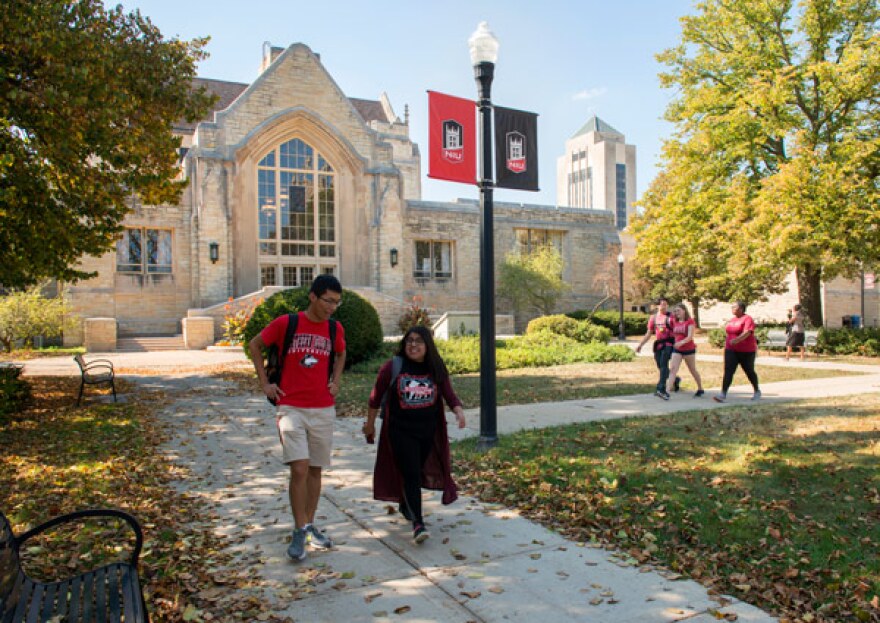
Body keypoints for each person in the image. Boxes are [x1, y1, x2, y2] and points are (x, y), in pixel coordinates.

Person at [248, 275, 346, 562]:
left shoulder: (333, 328)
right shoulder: (286, 323)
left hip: (323, 407)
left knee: (315, 470)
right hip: (290, 406)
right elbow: (255, 345)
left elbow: (341, 354)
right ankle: (298, 528)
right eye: (328, 300)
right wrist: (265, 383)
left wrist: (336, 382)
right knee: (300, 469)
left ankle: (308, 525)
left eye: (336, 303)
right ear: (313, 297)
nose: (331, 307)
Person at [363, 326, 466, 544]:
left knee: (416, 471)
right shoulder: (393, 367)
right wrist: (370, 425)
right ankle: (418, 523)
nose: (413, 345)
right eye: (409, 341)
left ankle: (405, 504)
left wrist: (458, 410)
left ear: (428, 345)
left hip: (428, 431)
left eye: (419, 341)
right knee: (411, 474)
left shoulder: (435, 367)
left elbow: (448, 393)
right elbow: (375, 399)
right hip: (400, 431)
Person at [714, 301, 760, 402]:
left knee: (749, 371)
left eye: (734, 307)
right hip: (731, 350)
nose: (732, 308)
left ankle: (757, 390)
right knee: (728, 371)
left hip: (746, 350)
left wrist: (737, 340)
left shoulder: (747, 319)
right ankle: (723, 393)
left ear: (741, 309)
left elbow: (748, 332)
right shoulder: (733, 319)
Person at [635, 297, 679, 400]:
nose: (664, 306)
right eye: (662, 304)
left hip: (669, 344)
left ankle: (661, 389)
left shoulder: (671, 317)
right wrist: (640, 345)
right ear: (657, 306)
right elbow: (649, 333)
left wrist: (679, 344)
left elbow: (677, 331)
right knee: (660, 366)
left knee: (663, 365)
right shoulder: (653, 318)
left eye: (665, 304)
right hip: (658, 345)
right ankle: (675, 380)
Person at [665, 303, 704, 397]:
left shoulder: (689, 321)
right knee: (673, 369)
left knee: (692, 369)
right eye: (675, 311)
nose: (676, 312)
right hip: (677, 350)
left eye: (678, 310)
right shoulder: (674, 321)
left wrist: (680, 343)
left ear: (684, 311)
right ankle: (667, 391)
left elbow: (690, 336)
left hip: (689, 349)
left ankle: (700, 388)